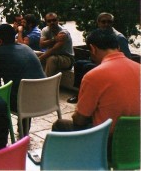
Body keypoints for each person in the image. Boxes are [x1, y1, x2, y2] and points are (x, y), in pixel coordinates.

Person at [52, 29, 140, 157]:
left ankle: (69, 163)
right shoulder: (138, 68)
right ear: (118, 47)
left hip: (107, 145)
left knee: (60, 125)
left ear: (92, 49)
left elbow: (80, 120)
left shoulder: (94, 75)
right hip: (135, 144)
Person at [67, 12, 132, 104]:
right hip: (99, 62)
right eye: (103, 22)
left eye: (109, 22)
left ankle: (89, 97)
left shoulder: (119, 37)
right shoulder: (98, 35)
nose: (106, 24)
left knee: (87, 67)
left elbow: (127, 57)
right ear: (98, 23)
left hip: (113, 66)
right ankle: (79, 92)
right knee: (78, 64)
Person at [0, 24, 46, 113]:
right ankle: (24, 127)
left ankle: (4, 126)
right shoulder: (26, 47)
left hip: (21, 104)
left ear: (0, 41)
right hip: (45, 100)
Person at [39, 12, 74, 77]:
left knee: (51, 59)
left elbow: (54, 49)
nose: (52, 22)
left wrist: (39, 58)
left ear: (58, 20)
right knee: (34, 54)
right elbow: (41, 45)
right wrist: (54, 39)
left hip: (67, 58)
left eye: (54, 20)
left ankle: (46, 82)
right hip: (54, 55)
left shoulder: (63, 32)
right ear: (46, 22)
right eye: (49, 21)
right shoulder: (45, 30)